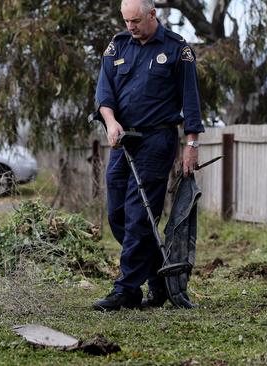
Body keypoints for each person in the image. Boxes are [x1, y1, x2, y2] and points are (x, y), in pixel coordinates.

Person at [93, 0, 204, 311]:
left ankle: (126, 290)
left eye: (136, 21)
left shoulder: (177, 48)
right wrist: (110, 122)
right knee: (118, 214)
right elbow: (104, 93)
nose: (131, 27)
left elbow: (191, 100)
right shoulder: (117, 47)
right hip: (123, 141)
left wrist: (191, 145)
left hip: (157, 140)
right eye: (126, 21)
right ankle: (160, 280)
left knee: (140, 215)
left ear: (153, 14)